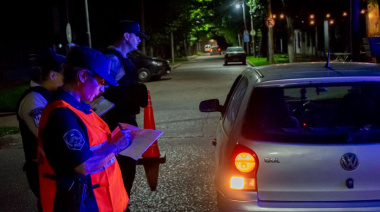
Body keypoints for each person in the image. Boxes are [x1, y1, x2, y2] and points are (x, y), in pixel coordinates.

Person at [37, 45, 131, 212]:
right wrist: (116, 145)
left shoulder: (80, 108)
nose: (102, 89)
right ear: (82, 75)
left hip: (104, 202)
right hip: (83, 204)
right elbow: (83, 165)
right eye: (101, 81)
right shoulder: (62, 115)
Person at [102, 20, 148, 203]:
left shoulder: (124, 59)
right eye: (137, 36)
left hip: (125, 121)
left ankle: (122, 204)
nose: (139, 40)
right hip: (115, 124)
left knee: (127, 171)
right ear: (126, 36)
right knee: (121, 171)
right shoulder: (112, 60)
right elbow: (98, 94)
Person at [17, 49, 65, 210]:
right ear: (52, 75)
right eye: (62, 73)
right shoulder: (34, 100)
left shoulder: (48, 95)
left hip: (53, 168)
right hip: (42, 171)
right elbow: (44, 135)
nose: (65, 78)